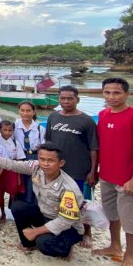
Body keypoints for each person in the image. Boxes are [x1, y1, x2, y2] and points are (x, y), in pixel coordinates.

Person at [0, 141, 84, 259]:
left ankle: (66, 249)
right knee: (18, 207)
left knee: (43, 243)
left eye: (50, 161)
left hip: (68, 227)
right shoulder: (36, 167)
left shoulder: (69, 189)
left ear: (61, 163)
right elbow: (10, 164)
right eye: (42, 159)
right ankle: (28, 244)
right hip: (46, 215)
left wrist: (36, 232)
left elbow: (64, 221)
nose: (45, 164)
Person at [93, 77, 133, 266]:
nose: (111, 97)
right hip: (106, 175)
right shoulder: (103, 114)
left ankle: (129, 255)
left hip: (127, 178)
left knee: (131, 218)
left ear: (127, 94)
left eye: (116, 93)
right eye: (107, 92)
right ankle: (115, 245)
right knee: (112, 214)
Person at [45, 85, 98, 247]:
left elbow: (94, 149)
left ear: (77, 100)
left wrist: (93, 171)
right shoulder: (53, 117)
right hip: (56, 170)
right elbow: (48, 143)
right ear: (58, 99)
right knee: (58, 201)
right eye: (63, 98)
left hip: (79, 170)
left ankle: (87, 232)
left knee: (83, 204)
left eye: (70, 98)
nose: (66, 101)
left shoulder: (87, 121)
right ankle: (61, 229)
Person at [14, 101, 46, 203]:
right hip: (20, 157)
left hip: (34, 157)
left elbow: (44, 146)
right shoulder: (14, 127)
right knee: (19, 182)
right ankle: (18, 205)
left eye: (28, 111)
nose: (25, 113)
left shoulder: (40, 129)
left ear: (34, 112)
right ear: (19, 111)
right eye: (22, 110)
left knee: (34, 182)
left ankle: (33, 205)